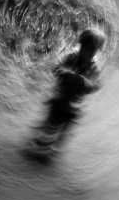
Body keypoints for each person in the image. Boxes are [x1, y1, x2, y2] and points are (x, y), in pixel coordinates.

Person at [31, 28, 106, 156]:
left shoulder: (94, 68)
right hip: (59, 97)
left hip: (74, 106)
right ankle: (41, 141)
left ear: (97, 50)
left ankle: (55, 147)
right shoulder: (71, 57)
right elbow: (56, 68)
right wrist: (65, 72)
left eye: (91, 50)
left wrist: (84, 82)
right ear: (80, 44)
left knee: (65, 128)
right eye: (84, 47)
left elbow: (96, 85)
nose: (86, 52)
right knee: (51, 121)